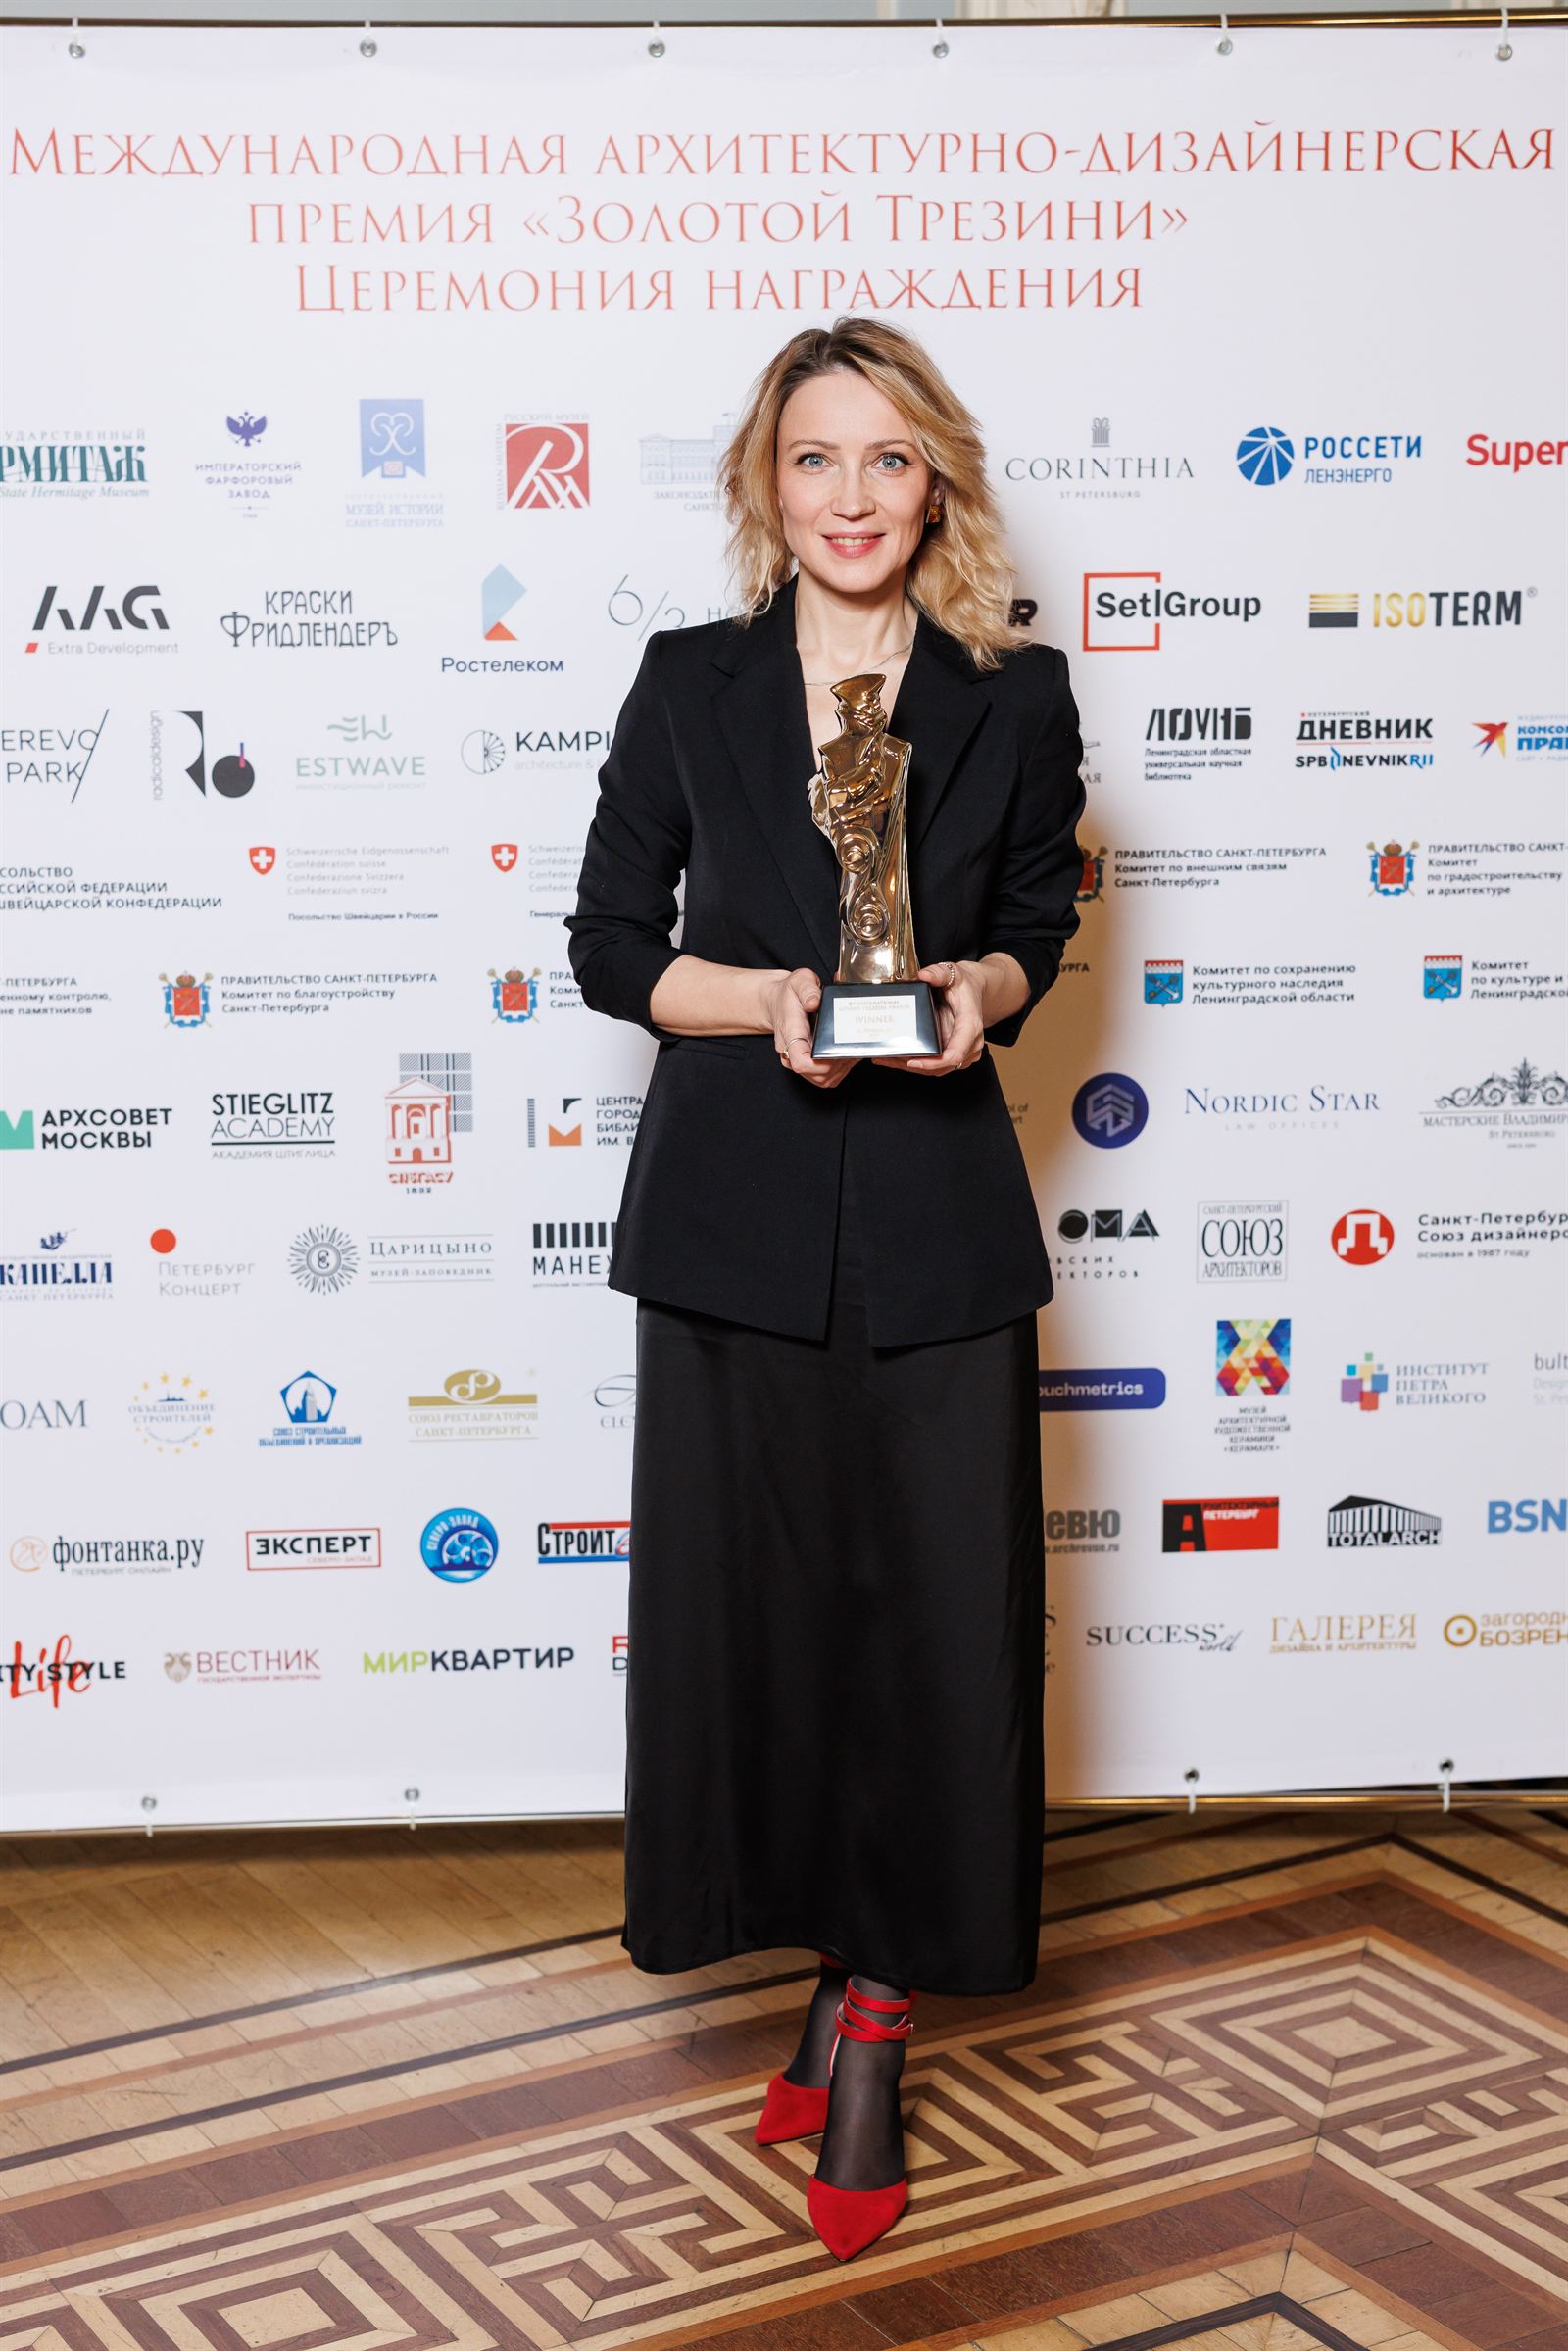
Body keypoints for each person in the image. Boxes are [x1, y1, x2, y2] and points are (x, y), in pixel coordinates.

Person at [566, 317, 1086, 2261]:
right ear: (762, 484)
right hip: (733, 1217)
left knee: (937, 1632)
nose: (848, 496)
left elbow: (1030, 928)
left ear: (931, 482)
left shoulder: (1011, 697)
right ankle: (812, 1965)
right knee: (766, 1631)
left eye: (884, 459)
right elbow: (611, 946)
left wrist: (973, 995)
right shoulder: (687, 683)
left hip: (939, 1219)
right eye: (812, 458)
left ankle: (875, 2015)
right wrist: (765, 999)